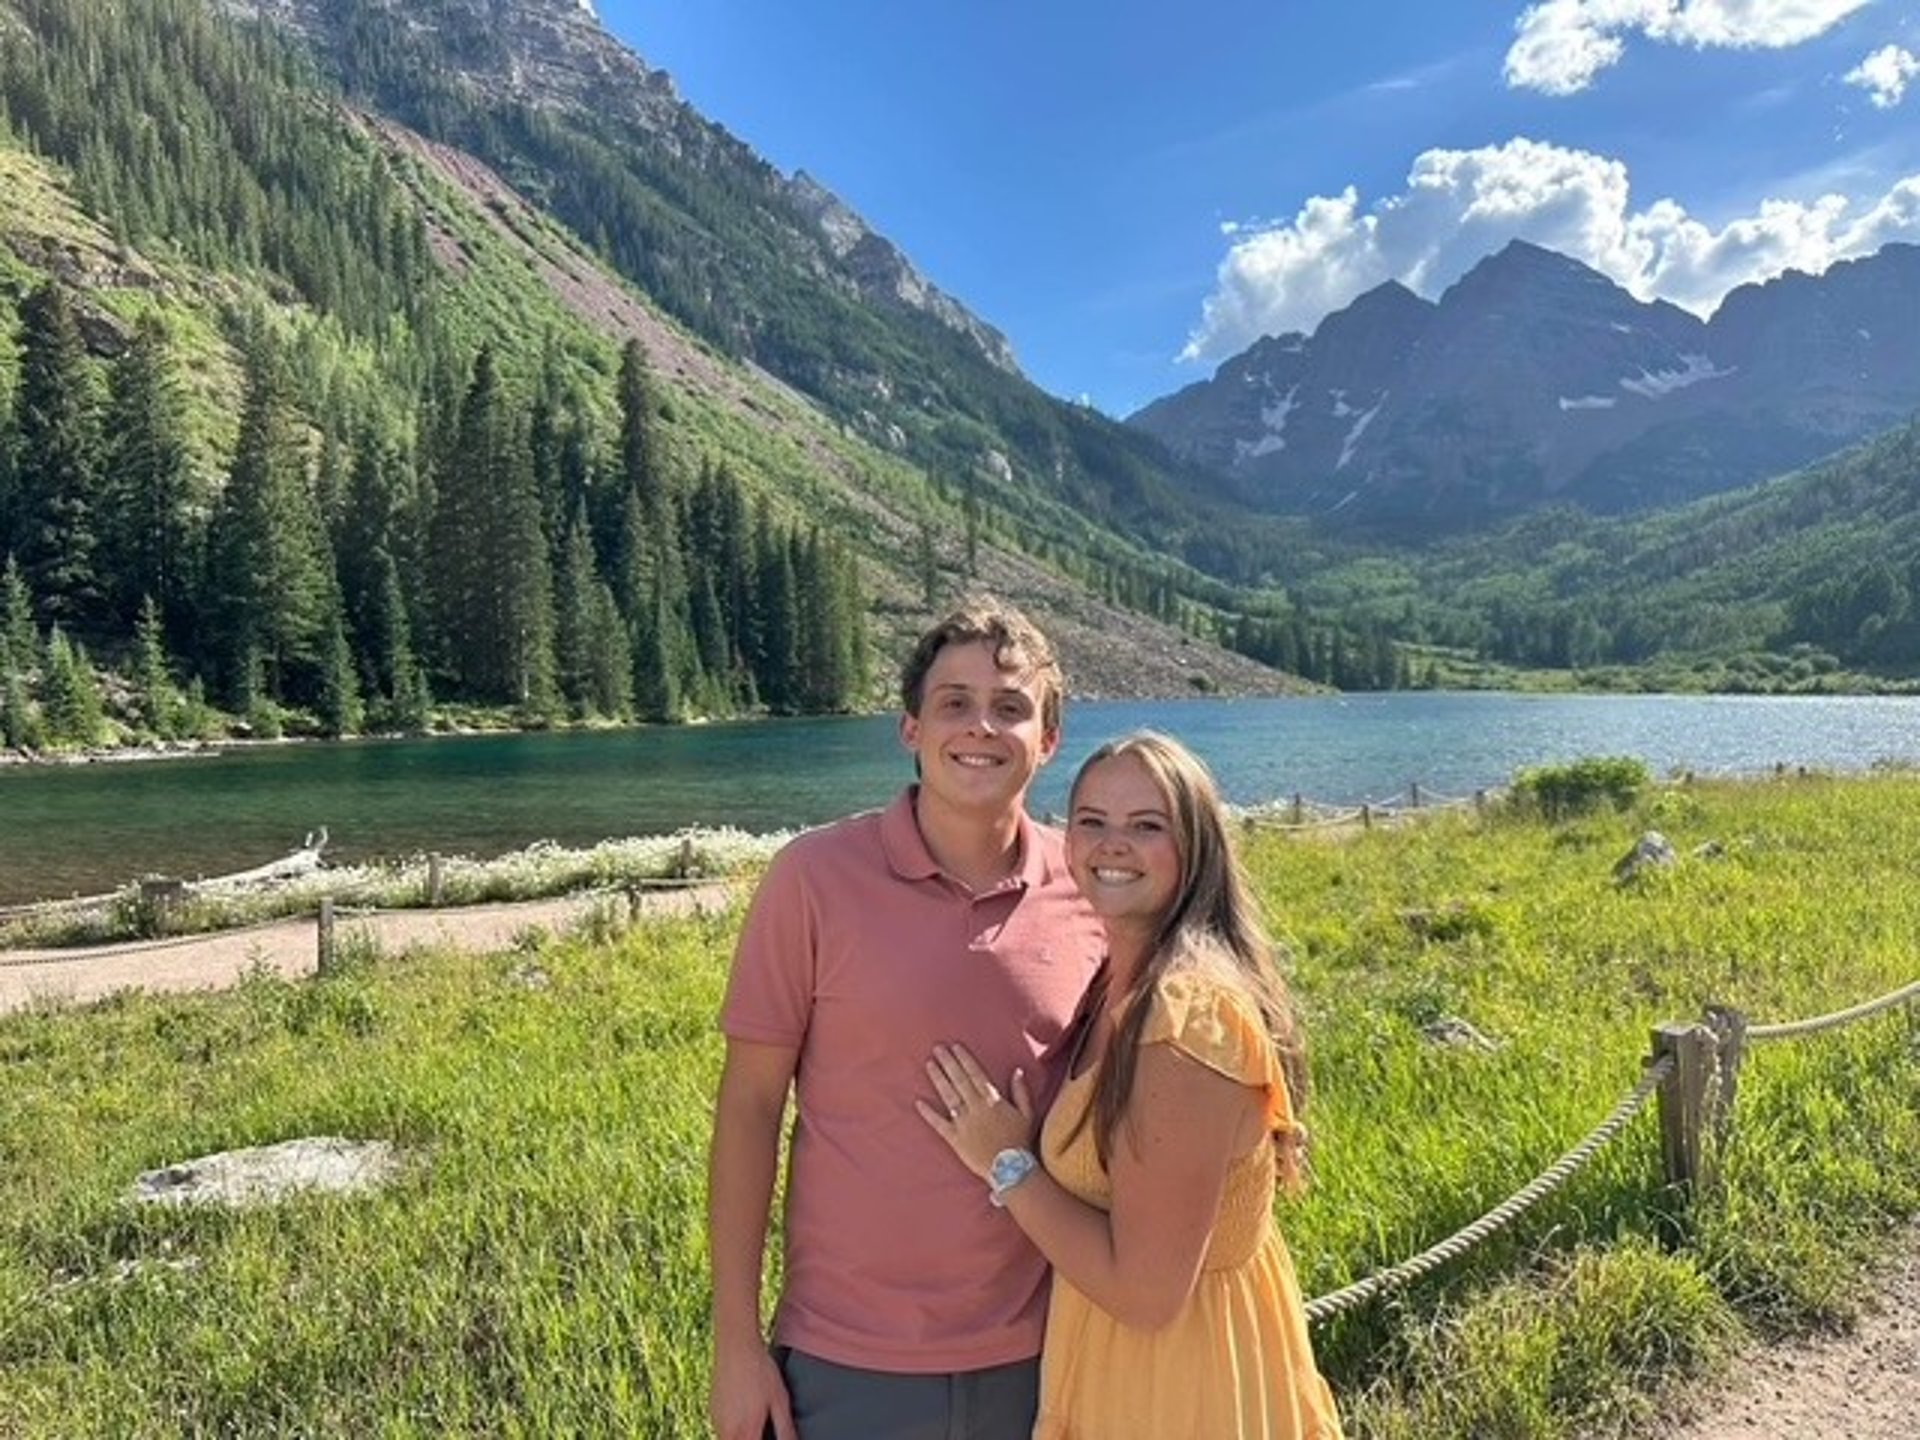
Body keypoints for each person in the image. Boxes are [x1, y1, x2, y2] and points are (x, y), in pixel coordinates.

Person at [708, 597, 1106, 1440]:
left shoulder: (1089, 890)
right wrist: (736, 1346)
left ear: (1048, 740)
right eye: (953, 703)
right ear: (909, 730)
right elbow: (748, 1110)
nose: (981, 727)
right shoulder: (812, 880)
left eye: (1010, 707)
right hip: (847, 1356)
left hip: (1050, 1348)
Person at [917, 731, 1343, 1439]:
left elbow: (1147, 1295)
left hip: (1179, 1388)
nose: (1113, 845)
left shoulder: (1186, 1020)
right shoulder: (1123, 985)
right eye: (1092, 822)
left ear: (1196, 847)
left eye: (1147, 826)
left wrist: (1007, 1163)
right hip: (1136, 1368)